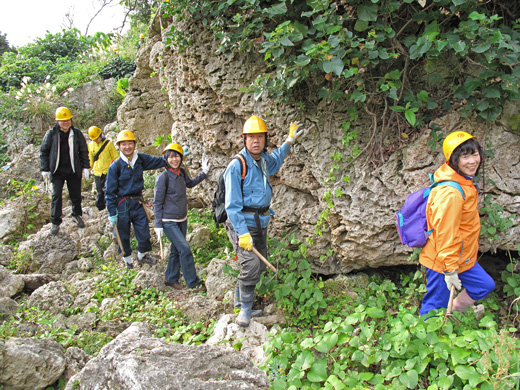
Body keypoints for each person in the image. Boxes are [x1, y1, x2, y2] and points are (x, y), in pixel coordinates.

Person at [223, 115, 305, 327]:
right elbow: (231, 206)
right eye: (251, 137)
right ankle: (245, 310)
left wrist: (288, 141)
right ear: (244, 139)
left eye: (259, 136)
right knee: (251, 264)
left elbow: (276, 161)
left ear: (265, 139)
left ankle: (239, 301)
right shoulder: (236, 165)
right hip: (242, 223)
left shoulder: (263, 160)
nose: (255, 141)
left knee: (259, 264)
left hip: (261, 221)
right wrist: (242, 233)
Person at [419, 130, 495, 317]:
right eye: (465, 156)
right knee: (435, 306)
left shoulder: (464, 181)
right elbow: (445, 233)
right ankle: (426, 339)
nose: (472, 161)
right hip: (444, 261)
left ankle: (451, 313)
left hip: (463, 257)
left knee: (484, 285)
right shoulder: (451, 193)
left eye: (475, 154)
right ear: (453, 160)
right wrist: (450, 270)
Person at [153, 143, 210, 290]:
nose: (174, 159)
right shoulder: (163, 177)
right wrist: (158, 224)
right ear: (166, 158)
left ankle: (170, 278)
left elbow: (190, 184)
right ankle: (193, 283)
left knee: (175, 249)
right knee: (184, 249)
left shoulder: (182, 173)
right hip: (168, 222)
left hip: (182, 219)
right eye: (171, 157)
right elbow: (157, 202)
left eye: (177, 156)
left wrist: (204, 172)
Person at [105, 130, 165, 269]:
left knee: (144, 233)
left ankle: (142, 256)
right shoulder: (115, 166)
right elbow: (109, 192)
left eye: (130, 143)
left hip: (137, 203)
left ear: (134, 144)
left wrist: (174, 155)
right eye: (123, 144)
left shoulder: (140, 159)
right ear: (119, 146)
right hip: (122, 204)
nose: (127, 147)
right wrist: (111, 212)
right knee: (123, 234)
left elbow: (157, 162)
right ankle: (127, 260)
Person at [40, 107, 90, 234]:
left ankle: (76, 214)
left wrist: (86, 166)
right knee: (56, 195)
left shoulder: (77, 133)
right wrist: (44, 168)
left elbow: (83, 150)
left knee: (76, 194)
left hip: (73, 169)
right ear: (57, 121)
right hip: (57, 171)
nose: (66, 123)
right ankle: (55, 222)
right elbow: (44, 151)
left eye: (68, 120)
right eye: (63, 121)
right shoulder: (51, 134)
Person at [87, 126, 119, 211]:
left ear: (101, 135)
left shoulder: (109, 144)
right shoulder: (90, 146)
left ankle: (110, 208)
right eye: (94, 139)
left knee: (108, 190)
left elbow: (116, 158)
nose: (96, 140)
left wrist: (117, 170)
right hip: (98, 173)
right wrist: (87, 169)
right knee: (100, 192)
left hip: (108, 171)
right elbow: (90, 160)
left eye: (97, 138)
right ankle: (101, 209)